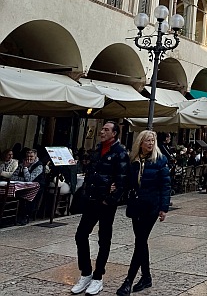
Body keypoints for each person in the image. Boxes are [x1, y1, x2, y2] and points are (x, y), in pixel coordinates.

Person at [71, 121, 129, 296]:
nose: (102, 132)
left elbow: (122, 180)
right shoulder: (97, 150)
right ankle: (86, 273)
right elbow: (91, 174)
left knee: (104, 239)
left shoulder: (120, 153)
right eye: (102, 129)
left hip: (106, 203)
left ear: (114, 133)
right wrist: (87, 192)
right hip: (91, 200)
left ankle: (98, 277)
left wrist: (110, 199)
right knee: (81, 235)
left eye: (106, 129)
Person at [116, 131, 170, 296]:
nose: (151, 143)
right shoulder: (133, 159)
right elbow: (126, 180)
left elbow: (165, 185)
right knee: (141, 241)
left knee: (140, 241)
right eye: (148, 140)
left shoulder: (160, 160)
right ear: (140, 142)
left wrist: (163, 208)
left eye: (152, 140)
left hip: (151, 206)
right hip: (136, 205)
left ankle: (129, 280)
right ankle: (146, 277)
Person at [12, 148, 45, 224]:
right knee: (16, 195)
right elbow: (13, 177)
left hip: (36, 187)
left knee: (28, 198)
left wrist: (25, 168)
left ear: (35, 157)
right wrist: (23, 179)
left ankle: (25, 216)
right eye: (27, 156)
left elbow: (29, 179)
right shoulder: (22, 164)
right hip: (22, 186)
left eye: (31, 156)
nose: (29, 158)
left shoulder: (39, 166)